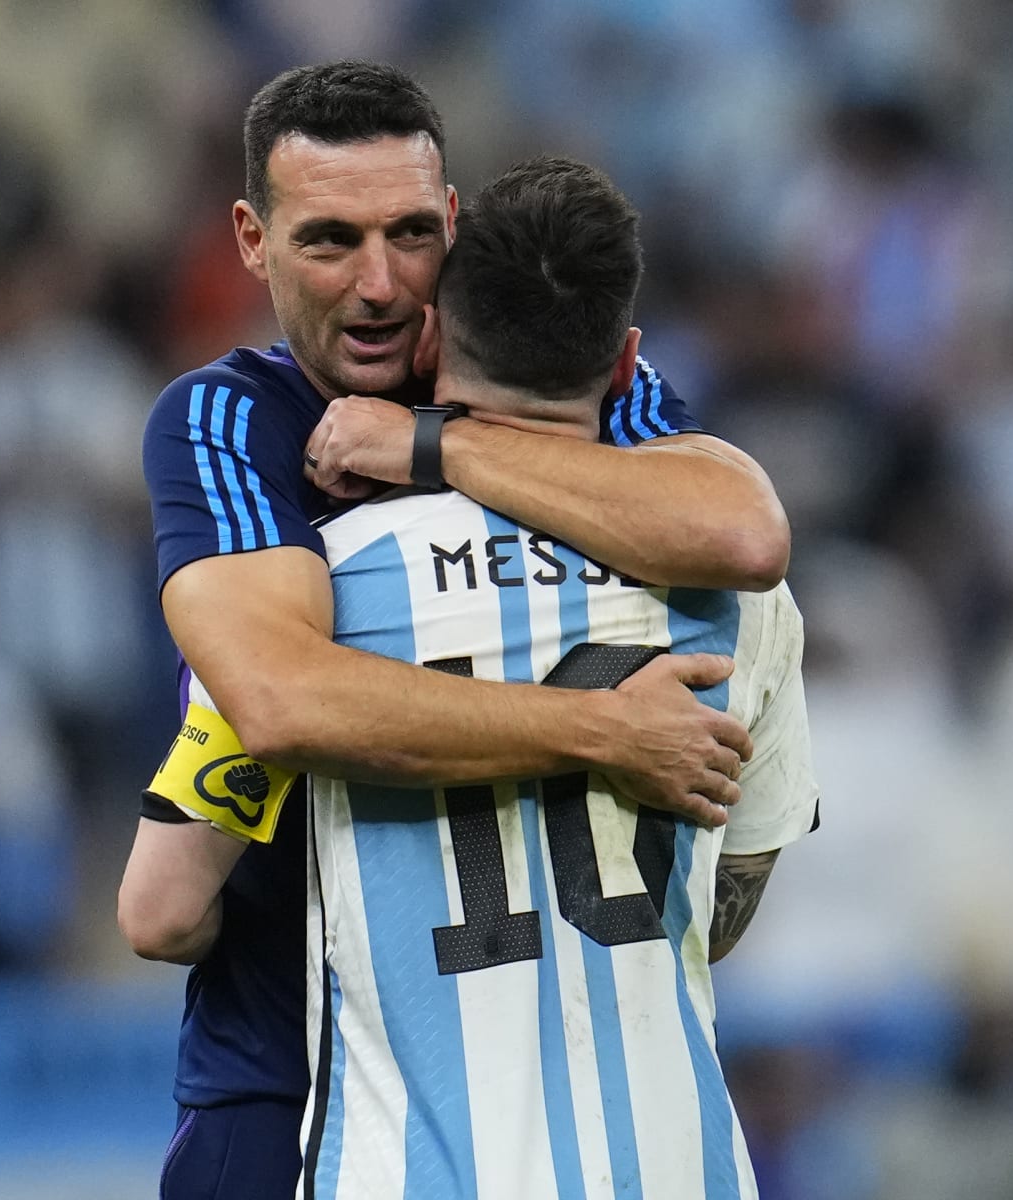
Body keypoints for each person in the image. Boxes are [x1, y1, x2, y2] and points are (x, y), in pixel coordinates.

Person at [117, 61, 792, 1199]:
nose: (380, 285)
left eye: (411, 235)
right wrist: (598, 733)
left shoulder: (564, 381)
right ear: (251, 237)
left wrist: (432, 445)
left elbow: (743, 529)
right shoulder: (230, 418)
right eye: (331, 239)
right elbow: (277, 701)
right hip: (287, 1089)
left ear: (459, 225)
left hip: (526, 1075)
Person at [295, 156, 818, 1199]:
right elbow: (727, 903)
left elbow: (167, 906)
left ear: (432, 335)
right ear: (626, 364)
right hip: (673, 1169)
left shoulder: (325, 584)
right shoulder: (735, 596)